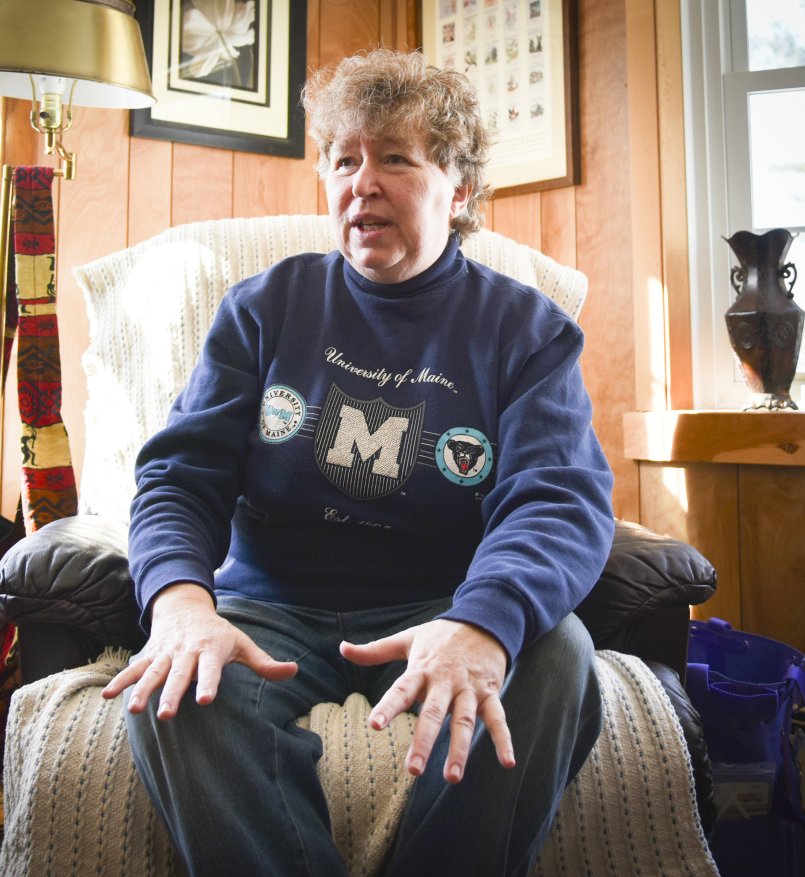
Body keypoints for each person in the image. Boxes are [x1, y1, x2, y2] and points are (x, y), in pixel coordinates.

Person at [102, 47, 615, 877]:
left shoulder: (525, 329)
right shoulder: (263, 309)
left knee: (557, 655)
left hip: (445, 604)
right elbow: (178, 477)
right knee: (173, 689)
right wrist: (180, 600)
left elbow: (557, 499)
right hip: (270, 608)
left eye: (395, 159)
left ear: (459, 189)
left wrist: (484, 621)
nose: (361, 182)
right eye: (344, 160)